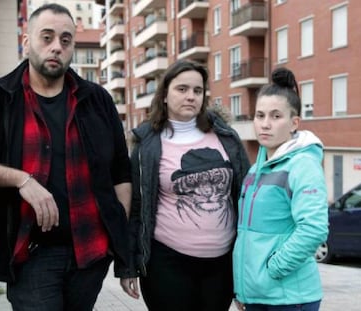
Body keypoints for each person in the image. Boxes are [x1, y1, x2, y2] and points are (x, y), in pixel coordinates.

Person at [0, 3, 131, 311]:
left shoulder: (97, 99)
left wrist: (116, 234)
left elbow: (121, 173)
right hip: (31, 254)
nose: (56, 47)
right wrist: (20, 179)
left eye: (65, 40)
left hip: (91, 253)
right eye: (46, 37)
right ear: (26, 41)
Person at [120, 59, 250, 311]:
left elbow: (246, 197)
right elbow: (137, 209)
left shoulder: (226, 137)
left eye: (197, 90)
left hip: (221, 266)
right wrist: (128, 265)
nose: (191, 96)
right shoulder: (146, 145)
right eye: (182, 89)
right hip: (167, 264)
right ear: (165, 95)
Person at [232, 68, 329, 311]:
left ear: (294, 123)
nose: (265, 124)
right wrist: (244, 287)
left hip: (289, 298)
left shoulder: (302, 164)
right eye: (260, 115)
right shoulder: (256, 170)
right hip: (258, 296)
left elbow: (314, 228)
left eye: (276, 116)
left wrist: (274, 268)